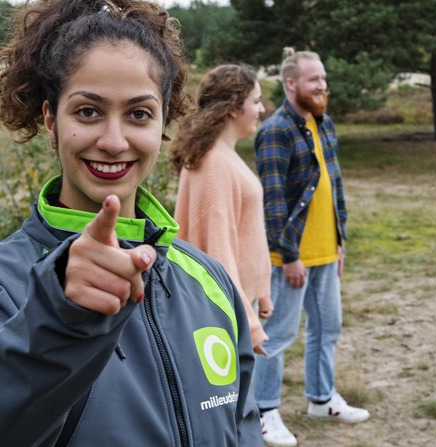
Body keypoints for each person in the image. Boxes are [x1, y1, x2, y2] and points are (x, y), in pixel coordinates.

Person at [0, 1, 263, 446]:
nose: (113, 141)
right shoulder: (8, 285)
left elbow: (243, 425)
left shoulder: (209, 280)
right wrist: (59, 318)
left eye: (139, 114)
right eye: (88, 111)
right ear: (50, 120)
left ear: (163, 123)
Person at [253, 51, 370, 447]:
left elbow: (334, 187)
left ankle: (322, 400)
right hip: (291, 257)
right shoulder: (276, 131)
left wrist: (339, 241)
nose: (322, 85)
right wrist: (289, 256)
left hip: (325, 252)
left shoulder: (324, 124)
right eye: (313, 79)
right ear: (291, 84)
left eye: (323, 78)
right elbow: (273, 202)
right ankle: (264, 412)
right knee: (276, 336)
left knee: (327, 328)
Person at [171, 64, 273, 356]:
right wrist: (247, 326)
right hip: (226, 313)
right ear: (233, 108)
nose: (262, 109)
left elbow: (246, 230)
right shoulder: (213, 164)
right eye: (256, 101)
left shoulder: (224, 155)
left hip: (239, 303)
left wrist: (262, 292)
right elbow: (218, 252)